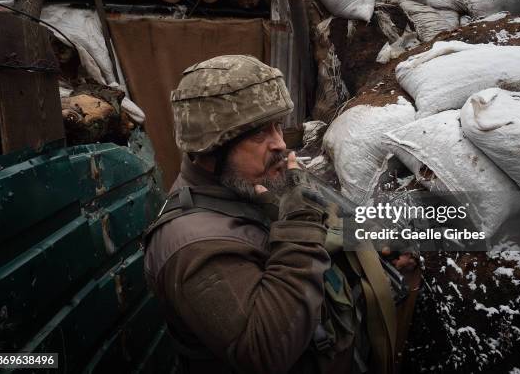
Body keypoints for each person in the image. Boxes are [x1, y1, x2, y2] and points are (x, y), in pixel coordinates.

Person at [144, 55, 417, 374]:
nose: (280, 144)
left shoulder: (246, 184)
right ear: (211, 147)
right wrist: (300, 221)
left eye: (277, 126)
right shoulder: (192, 245)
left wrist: (374, 240)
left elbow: (328, 219)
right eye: (259, 134)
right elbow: (267, 350)